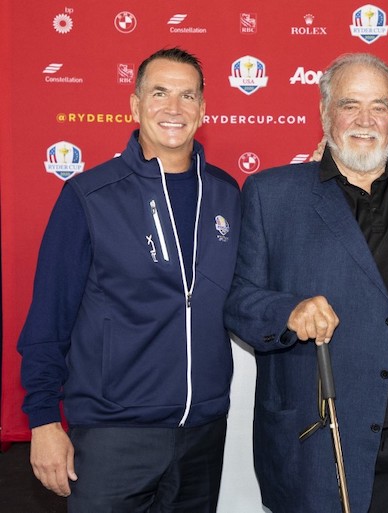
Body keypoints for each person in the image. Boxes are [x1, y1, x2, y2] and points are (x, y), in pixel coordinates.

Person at [224, 53, 388, 513]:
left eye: (380, 106)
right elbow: (239, 302)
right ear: (325, 112)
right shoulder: (273, 194)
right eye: (350, 104)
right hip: (329, 443)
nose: (365, 120)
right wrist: (287, 310)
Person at [17, 47, 240, 512]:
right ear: (135, 105)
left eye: (187, 95)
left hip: (202, 434)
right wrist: (42, 421)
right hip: (112, 435)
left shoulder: (225, 192)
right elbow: (48, 319)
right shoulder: (89, 195)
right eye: (159, 93)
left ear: (203, 109)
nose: (174, 108)